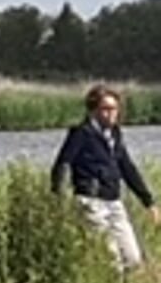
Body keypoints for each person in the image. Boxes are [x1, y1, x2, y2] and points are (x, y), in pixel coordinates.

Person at [51, 84, 159, 272]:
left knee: (133, 259)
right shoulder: (81, 134)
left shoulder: (114, 135)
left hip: (114, 201)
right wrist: (60, 198)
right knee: (111, 259)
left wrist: (148, 202)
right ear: (93, 110)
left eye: (114, 109)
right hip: (91, 201)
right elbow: (63, 164)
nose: (111, 114)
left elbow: (127, 168)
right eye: (106, 109)